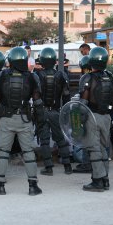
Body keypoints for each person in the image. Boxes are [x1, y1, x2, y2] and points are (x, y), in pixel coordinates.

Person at [0, 47, 44, 196]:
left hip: (6, 119)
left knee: (3, 152)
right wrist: (40, 123)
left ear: (11, 60)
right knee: (28, 152)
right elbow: (38, 102)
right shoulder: (32, 77)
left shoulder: (2, 75)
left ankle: (0, 185)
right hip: (25, 119)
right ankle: (33, 186)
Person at [77, 47, 113, 192]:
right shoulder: (110, 77)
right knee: (103, 148)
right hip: (106, 116)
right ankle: (105, 179)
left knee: (94, 149)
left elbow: (83, 102)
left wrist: (79, 122)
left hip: (92, 116)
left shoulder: (87, 78)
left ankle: (97, 181)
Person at [35, 47, 73, 176]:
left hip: (42, 111)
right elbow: (67, 95)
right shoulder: (61, 75)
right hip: (56, 111)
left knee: (44, 140)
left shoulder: (38, 75)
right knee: (60, 139)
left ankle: (49, 167)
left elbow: (34, 95)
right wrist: (65, 111)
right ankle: (67, 166)